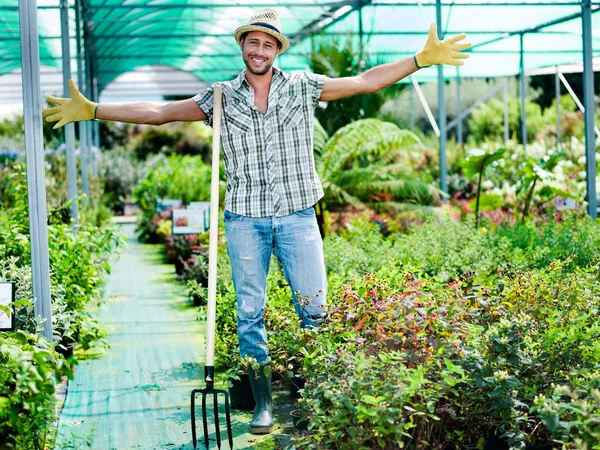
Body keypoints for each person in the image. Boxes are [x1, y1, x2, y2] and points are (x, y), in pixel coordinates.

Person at [43, 8, 470, 435]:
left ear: (277, 50)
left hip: (298, 215)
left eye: (268, 44)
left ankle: (313, 398)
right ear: (243, 46)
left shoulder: (303, 86)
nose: (259, 50)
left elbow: (364, 82)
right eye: (253, 42)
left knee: (316, 311)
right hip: (245, 218)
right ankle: (263, 405)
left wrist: (418, 59)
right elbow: (159, 111)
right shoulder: (220, 96)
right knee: (249, 314)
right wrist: (95, 109)